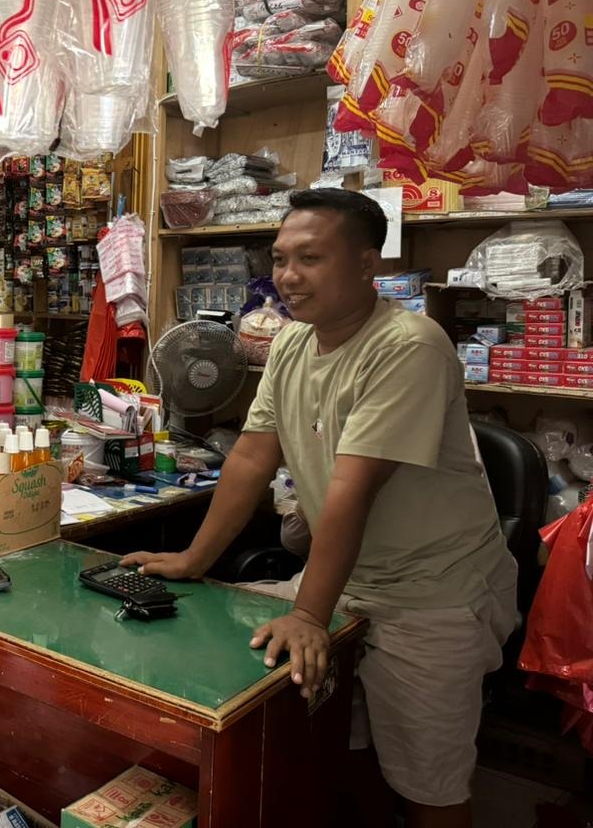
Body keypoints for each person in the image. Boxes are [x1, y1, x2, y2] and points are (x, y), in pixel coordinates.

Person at [122, 189, 516, 828]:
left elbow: (351, 490)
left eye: (310, 258)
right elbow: (252, 459)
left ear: (366, 264)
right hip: (347, 578)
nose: (288, 276)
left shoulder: (408, 345)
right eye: (280, 259)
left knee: (429, 785)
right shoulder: (291, 344)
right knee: (311, 732)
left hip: (431, 594)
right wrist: (195, 559)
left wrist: (309, 613)